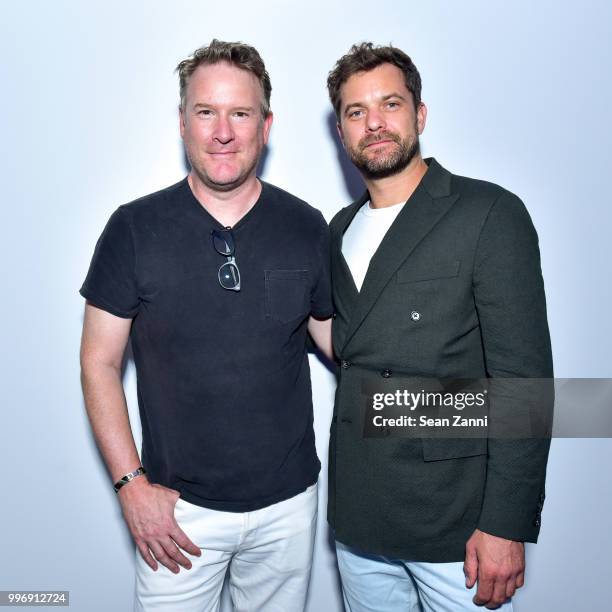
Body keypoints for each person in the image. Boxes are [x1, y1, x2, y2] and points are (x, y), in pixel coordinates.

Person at [79, 39, 333, 612]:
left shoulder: (305, 225)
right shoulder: (134, 228)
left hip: (287, 509)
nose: (224, 131)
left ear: (265, 125)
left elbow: (340, 341)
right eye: (206, 112)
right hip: (176, 513)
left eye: (240, 113)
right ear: (182, 122)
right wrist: (130, 488)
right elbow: (97, 361)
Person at [325, 42, 553, 611]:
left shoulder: (489, 214)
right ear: (341, 131)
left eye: (390, 104)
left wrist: (505, 525)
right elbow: (353, 345)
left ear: (419, 115)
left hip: (458, 531)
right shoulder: (337, 230)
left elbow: (523, 385)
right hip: (359, 520)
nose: (374, 123)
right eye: (356, 112)